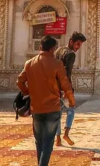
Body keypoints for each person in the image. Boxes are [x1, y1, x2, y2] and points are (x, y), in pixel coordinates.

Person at [18, 35, 74, 166]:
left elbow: (19, 81)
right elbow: (66, 85)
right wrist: (71, 100)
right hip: (52, 108)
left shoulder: (30, 63)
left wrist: (28, 92)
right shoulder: (57, 64)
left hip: (36, 107)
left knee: (39, 141)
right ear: (52, 49)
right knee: (48, 141)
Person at [55, 32, 86, 147]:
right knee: (71, 109)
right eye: (77, 44)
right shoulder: (71, 54)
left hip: (55, 87)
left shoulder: (58, 50)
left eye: (80, 45)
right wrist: (67, 91)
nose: (78, 47)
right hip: (64, 87)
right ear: (71, 42)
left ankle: (57, 139)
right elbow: (66, 73)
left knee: (57, 113)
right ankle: (66, 134)